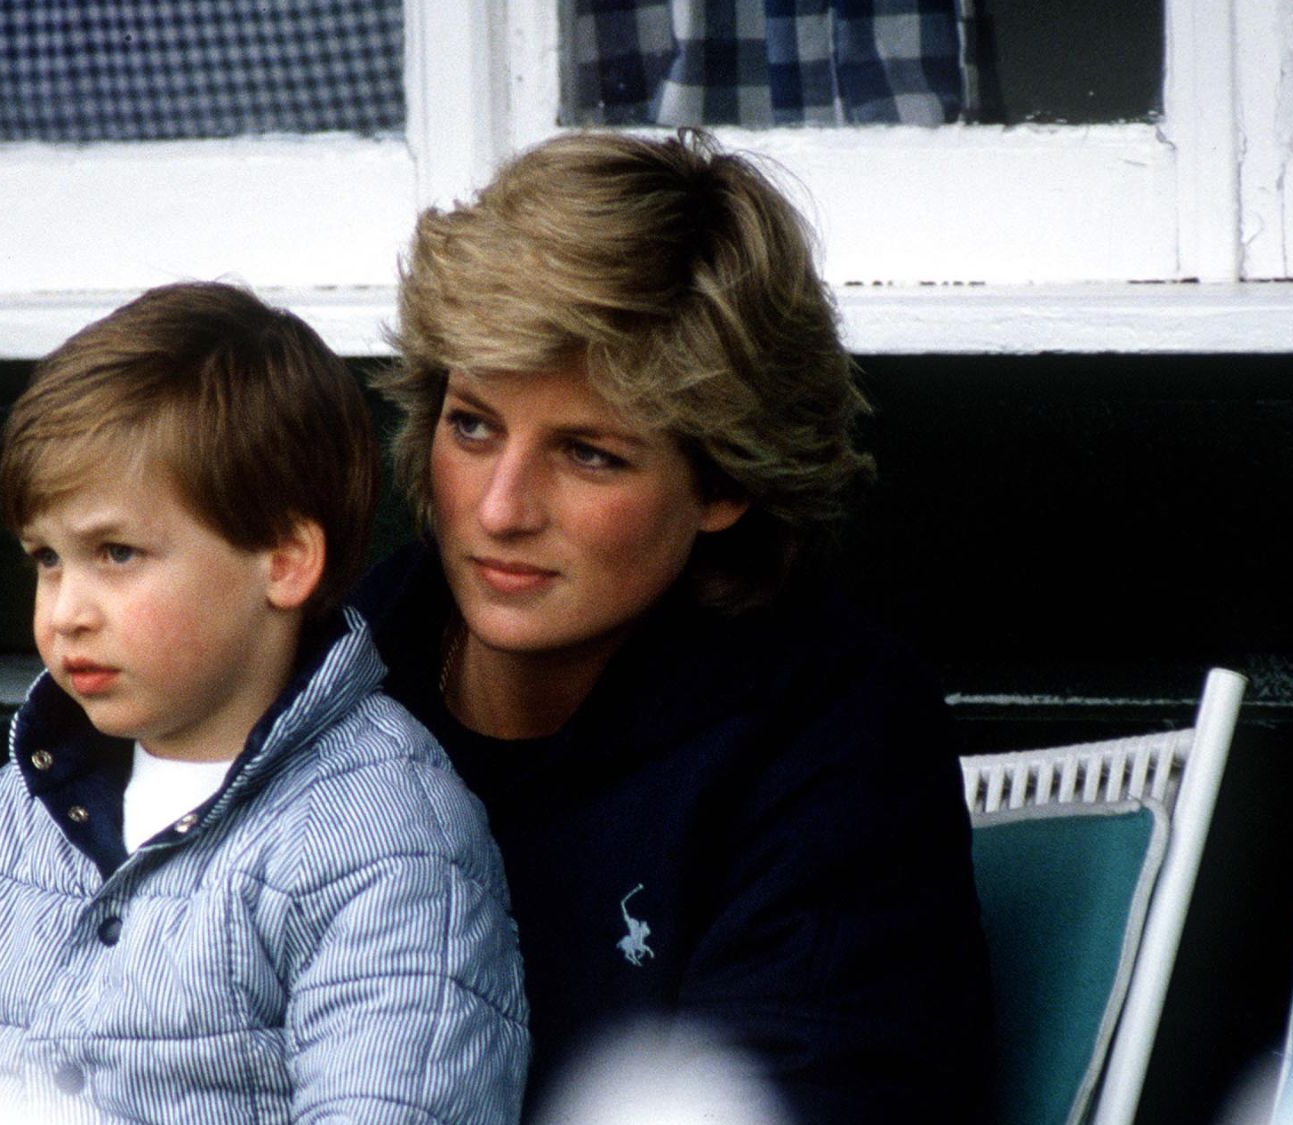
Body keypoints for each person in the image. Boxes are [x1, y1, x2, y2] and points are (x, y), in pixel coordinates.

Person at [353, 129, 993, 1123]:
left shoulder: (827, 735)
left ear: (724, 478)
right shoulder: (337, 669)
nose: (497, 508)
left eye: (587, 453)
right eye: (471, 425)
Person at [0, 282, 529, 1124]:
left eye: (115, 552)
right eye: (47, 558)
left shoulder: (381, 840)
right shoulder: (4, 825)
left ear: (285, 560)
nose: (67, 608)